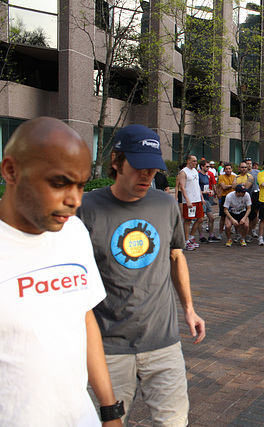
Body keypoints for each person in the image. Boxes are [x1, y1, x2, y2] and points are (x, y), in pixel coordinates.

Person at [77, 124, 206, 426]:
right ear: (115, 161)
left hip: (162, 342)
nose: (147, 176)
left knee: (174, 422)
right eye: (138, 167)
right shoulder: (86, 209)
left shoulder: (165, 204)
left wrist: (189, 309)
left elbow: (176, 256)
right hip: (108, 346)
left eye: (152, 168)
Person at [0, 117, 123, 426]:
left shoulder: (74, 232)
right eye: (59, 183)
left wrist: (108, 411)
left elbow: (83, 318)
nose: (74, 200)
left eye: (81, 185)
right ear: (11, 170)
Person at [177, 155, 204, 250]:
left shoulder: (195, 171)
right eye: (194, 161)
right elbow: (182, 187)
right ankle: (186, 240)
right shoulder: (183, 172)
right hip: (190, 200)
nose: (195, 163)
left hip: (197, 199)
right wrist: (187, 201)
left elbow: (197, 185)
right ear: (188, 161)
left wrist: (201, 197)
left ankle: (191, 237)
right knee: (188, 220)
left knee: (200, 218)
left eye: (196, 161)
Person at [197, 160, 218, 243]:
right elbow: (196, 189)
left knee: (211, 218)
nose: (209, 168)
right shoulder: (198, 175)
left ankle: (211, 235)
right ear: (202, 167)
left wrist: (211, 191)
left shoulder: (207, 175)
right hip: (201, 199)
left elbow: (209, 186)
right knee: (200, 219)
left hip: (207, 198)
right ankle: (201, 236)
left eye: (209, 166)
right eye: (207, 166)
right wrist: (203, 193)